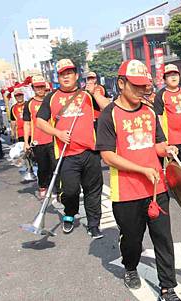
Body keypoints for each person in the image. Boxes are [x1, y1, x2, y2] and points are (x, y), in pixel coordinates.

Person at [96, 59, 181, 301]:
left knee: (163, 238)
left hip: (157, 188)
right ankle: (131, 267)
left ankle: (167, 287)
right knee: (132, 240)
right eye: (136, 86)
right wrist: (140, 169)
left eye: (144, 86)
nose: (142, 91)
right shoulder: (109, 115)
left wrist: (167, 149)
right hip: (127, 193)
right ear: (121, 83)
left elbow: (157, 144)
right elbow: (107, 155)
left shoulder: (149, 111)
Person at [36, 58, 109, 238]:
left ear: (76, 76)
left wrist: (95, 93)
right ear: (58, 77)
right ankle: (69, 213)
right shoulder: (51, 97)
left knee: (93, 190)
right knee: (70, 191)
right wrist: (57, 133)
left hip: (90, 152)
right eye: (62, 74)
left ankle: (94, 225)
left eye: (69, 73)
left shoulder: (86, 96)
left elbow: (108, 109)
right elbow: (39, 121)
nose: (66, 77)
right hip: (65, 154)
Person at [23, 75, 58, 199]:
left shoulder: (53, 101)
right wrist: (26, 142)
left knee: (56, 165)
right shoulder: (29, 104)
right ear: (33, 88)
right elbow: (27, 123)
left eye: (42, 87)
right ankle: (43, 185)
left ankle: (58, 189)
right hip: (38, 141)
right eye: (37, 87)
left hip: (53, 139)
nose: (40, 89)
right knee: (43, 167)